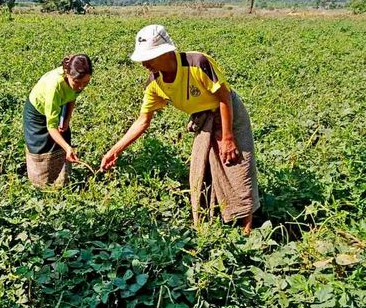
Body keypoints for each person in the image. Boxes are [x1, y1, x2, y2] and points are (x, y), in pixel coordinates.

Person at [100, 24, 259, 233]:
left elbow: (224, 97)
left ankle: (247, 230)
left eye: (149, 58)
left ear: (165, 52)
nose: (144, 64)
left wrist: (228, 137)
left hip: (229, 114)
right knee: (203, 169)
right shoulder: (155, 83)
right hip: (203, 120)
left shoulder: (197, 63)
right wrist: (114, 151)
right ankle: (211, 224)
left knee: (236, 164)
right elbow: (142, 120)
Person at [24, 54, 92, 187]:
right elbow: (51, 127)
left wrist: (67, 118)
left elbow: (72, 96)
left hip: (59, 104)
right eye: (77, 83)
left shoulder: (78, 81)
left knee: (63, 135)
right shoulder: (54, 86)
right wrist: (68, 148)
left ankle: (61, 182)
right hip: (37, 112)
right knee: (41, 146)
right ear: (67, 74)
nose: (81, 87)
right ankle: (41, 185)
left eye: (86, 83)